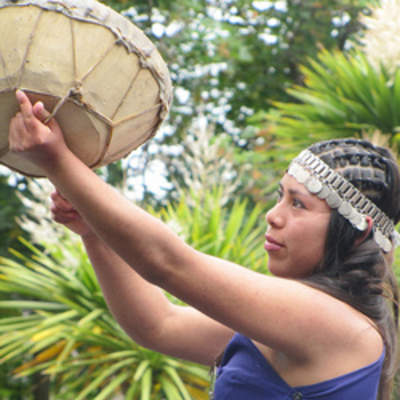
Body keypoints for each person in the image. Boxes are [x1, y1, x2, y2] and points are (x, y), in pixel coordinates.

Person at [8, 89, 400, 400]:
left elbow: (168, 263)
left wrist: (57, 161)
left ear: (359, 231)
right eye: (280, 196)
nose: (273, 215)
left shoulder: (339, 325)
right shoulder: (287, 325)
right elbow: (158, 325)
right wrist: (93, 233)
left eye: (298, 204)